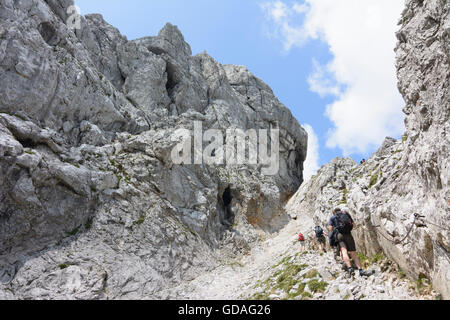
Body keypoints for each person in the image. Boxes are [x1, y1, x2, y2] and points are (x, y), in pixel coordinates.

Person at [328, 208, 369, 277]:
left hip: (340, 235)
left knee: (344, 251)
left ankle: (350, 268)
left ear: (334, 212)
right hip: (348, 234)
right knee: (354, 254)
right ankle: (361, 270)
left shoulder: (333, 217)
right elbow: (354, 225)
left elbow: (330, 228)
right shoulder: (346, 214)